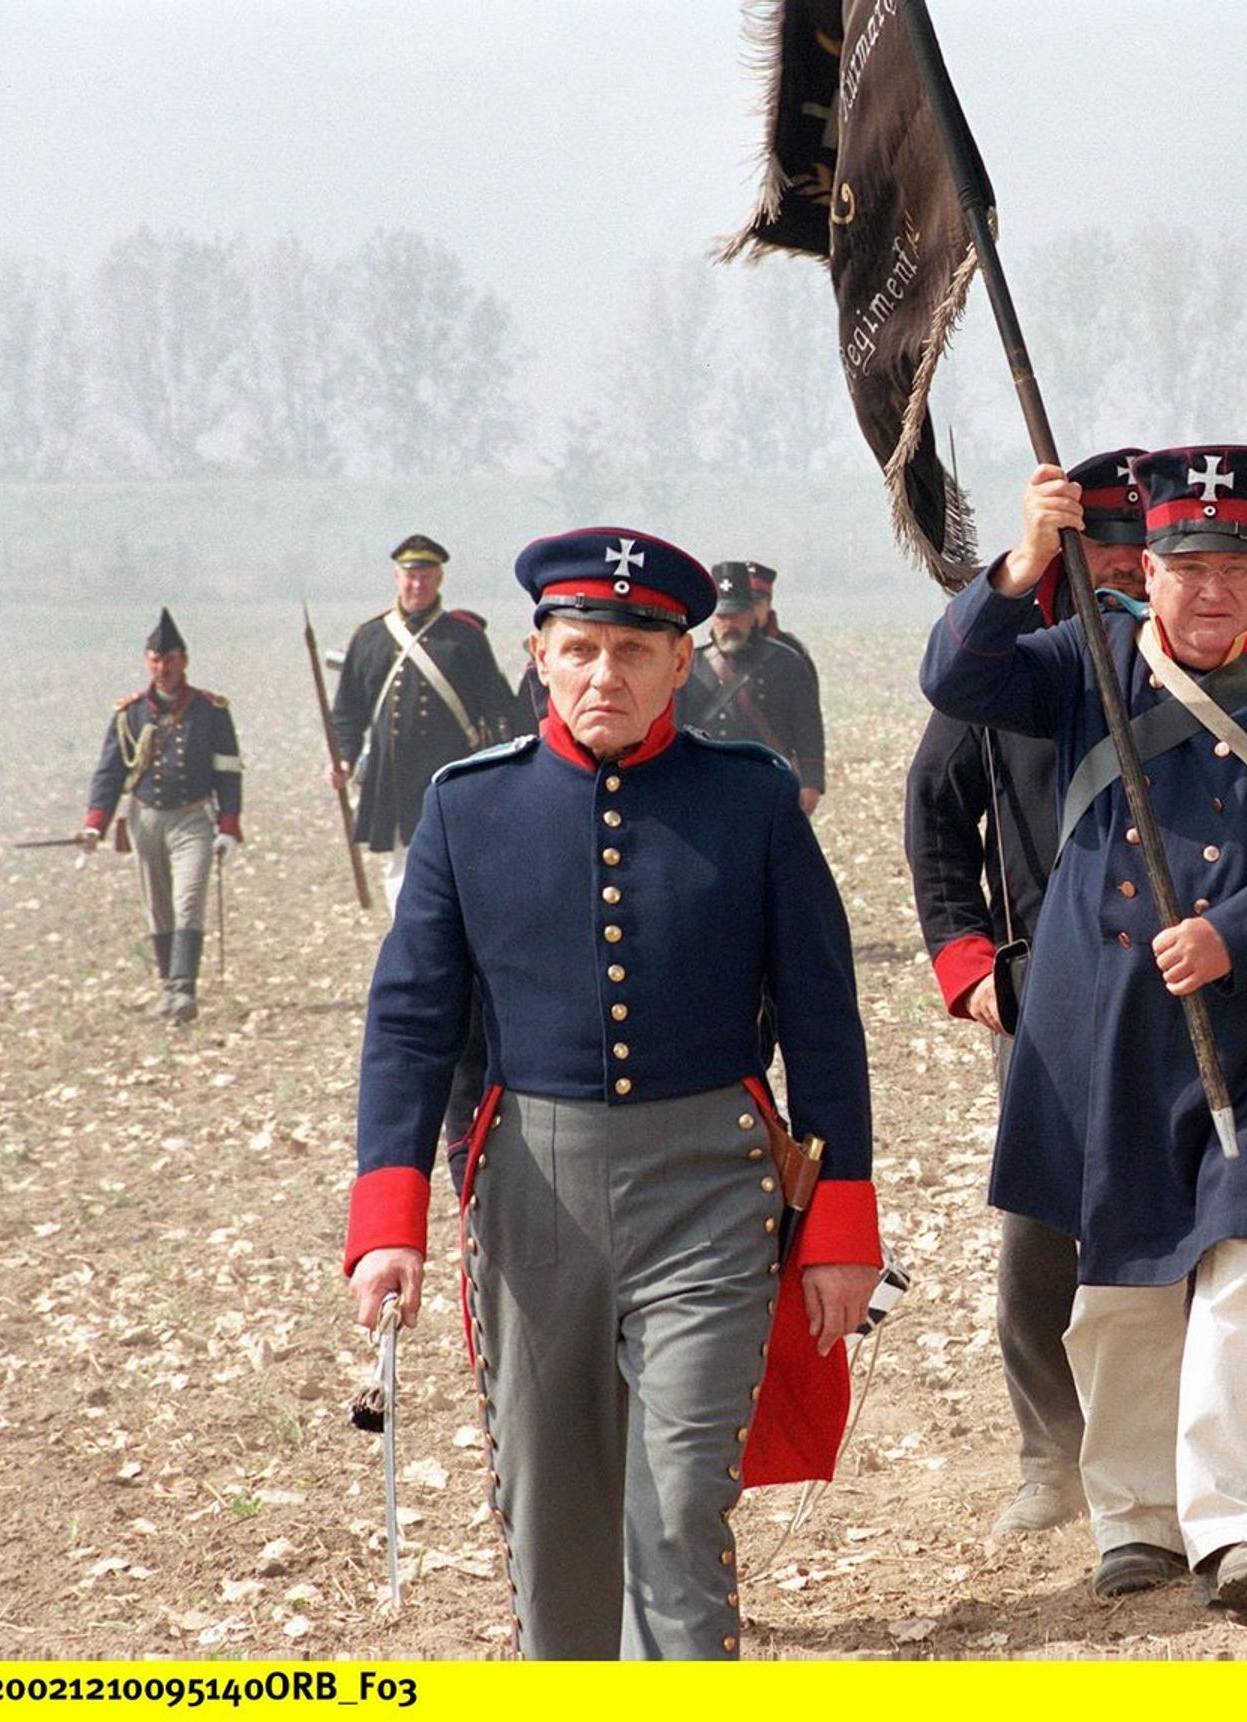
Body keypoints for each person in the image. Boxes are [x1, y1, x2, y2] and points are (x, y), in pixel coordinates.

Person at [342, 527, 881, 1659]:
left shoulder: (751, 803)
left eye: (634, 651)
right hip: (532, 1203)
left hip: (713, 1194)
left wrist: (840, 1224)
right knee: (555, 1522)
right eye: (581, 648)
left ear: (680, 662)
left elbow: (823, 1019)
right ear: (539, 654)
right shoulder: (468, 808)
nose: (605, 675)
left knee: (680, 1505)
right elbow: (411, 1023)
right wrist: (389, 1218)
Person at [920, 447, 1247, 1612]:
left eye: (1235, 566)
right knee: (1121, 1277)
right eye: (1187, 567)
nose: (1211, 591)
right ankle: (1135, 1516)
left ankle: (1240, 1524)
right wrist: (1023, 561)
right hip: (1107, 1021)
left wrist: (1245, 928)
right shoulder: (1088, 655)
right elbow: (955, 678)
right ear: (1152, 570)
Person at [901, 447, 1148, 1542]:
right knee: (1045, 1223)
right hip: (1047, 982)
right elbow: (935, 813)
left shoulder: (1207, 652)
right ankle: (1052, 1451)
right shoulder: (1013, 667)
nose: (1127, 566)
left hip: (1190, 972)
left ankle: (1170, 1445)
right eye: (1106, 545)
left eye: (1145, 545)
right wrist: (969, 966)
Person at [328, 534, 524, 908]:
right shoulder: (369, 637)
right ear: (397, 577)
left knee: (455, 866)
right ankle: (407, 937)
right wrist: (344, 758)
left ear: (439, 579)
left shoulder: (464, 637)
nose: (417, 585)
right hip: (394, 774)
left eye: (426, 576)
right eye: (410, 576)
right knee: (401, 870)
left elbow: (496, 707)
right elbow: (348, 710)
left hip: (451, 770)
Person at [78, 608, 243, 1024]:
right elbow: (110, 772)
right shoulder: (129, 714)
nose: (163, 668)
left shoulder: (211, 710)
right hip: (146, 817)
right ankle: (168, 984)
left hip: (193, 818)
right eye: (155, 660)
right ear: (147, 662)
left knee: (189, 899)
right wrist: (95, 824)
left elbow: (228, 771)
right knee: (159, 906)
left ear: (183, 660)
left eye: (169, 659)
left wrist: (229, 826)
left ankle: (184, 988)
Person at [681, 562, 826, 814]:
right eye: (722, 616)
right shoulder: (690, 665)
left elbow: (807, 726)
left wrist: (811, 783)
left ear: (751, 617)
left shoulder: (786, 661)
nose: (729, 623)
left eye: (736, 615)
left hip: (769, 784)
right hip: (704, 785)